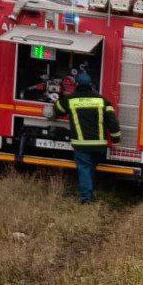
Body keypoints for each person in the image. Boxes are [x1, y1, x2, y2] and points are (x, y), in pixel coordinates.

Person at [55, 71, 121, 204]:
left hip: (82, 145)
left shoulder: (71, 100)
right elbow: (112, 121)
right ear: (91, 85)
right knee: (90, 168)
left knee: (84, 169)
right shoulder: (102, 100)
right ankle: (89, 193)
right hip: (99, 146)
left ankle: (86, 199)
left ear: (77, 84)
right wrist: (115, 138)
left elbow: (58, 110)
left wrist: (62, 94)